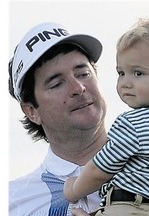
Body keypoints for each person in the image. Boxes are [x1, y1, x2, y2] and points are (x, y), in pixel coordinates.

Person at [63, 16, 149, 216]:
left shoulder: (135, 123)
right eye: (121, 73)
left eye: (138, 73)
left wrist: (73, 189)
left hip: (132, 208)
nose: (125, 83)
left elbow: (98, 171)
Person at [8, 22, 108, 216]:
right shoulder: (10, 204)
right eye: (56, 84)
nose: (78, 88)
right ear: (31, 111)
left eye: (83, 73)